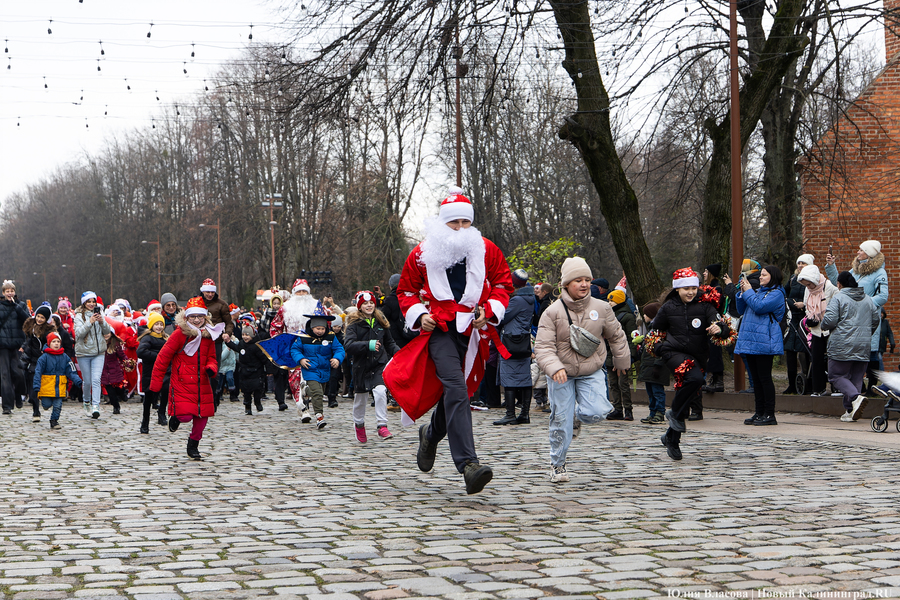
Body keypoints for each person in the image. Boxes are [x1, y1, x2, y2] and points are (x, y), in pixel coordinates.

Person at [396, 188, 513, 495]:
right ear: (442, 223)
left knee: (459, 393)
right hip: (439, 330)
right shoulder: (421, 253)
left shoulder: (486, 248)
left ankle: (430, 434)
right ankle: (469, 465)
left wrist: (488, 312)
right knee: (457, 389)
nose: (461, 229)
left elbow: (503, 283)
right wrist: (421, 315)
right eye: (454, 223)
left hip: (472, 331)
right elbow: (406, 291)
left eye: (465, 222)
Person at [534, 257, 630, 482]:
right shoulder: (552, 312)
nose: (584, 284)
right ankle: (558, 465)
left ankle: (576, 416)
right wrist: (555, 367)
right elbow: (543, 347)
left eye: (587, 279)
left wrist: (622, 360)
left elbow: (616, 336)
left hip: (591, 370)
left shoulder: (602, 307)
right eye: (578, 280)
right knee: (560, 422)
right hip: (561, 375)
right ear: (566, 284)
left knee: (597, 412)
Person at [650, 268, 728, 460]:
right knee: (694, 379)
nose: (691, 292)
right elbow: (654, 331)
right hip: (673, 352)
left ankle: (671, 437)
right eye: (686, 289)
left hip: (698, 356)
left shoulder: (705, 306)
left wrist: (719, 328)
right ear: (677, 289)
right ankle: (674, 414)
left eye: (693, 288)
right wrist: (660, 348)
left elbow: (721, 325)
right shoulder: (668, 308)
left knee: (687, 392)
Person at [149, 296, 222, 460]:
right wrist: (155, 384)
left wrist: (212, 368)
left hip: (202, 382)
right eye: (193, 317)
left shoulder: (208, 335)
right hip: (181, 382)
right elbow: (163, 358)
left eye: (200, 316)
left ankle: (193, 446)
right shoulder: (179, 334)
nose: (196, 320)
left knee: (202, 417)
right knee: (185, 415)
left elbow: (212, 358)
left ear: (205, 317)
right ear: (186, 317)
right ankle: (175, 417)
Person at [825, 240, 888, 392]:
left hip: (866, 319)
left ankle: (871, 387)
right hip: (850, 320)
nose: (858, 252)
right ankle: (856, 396)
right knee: (856, 359)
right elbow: (840, 283)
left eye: (861, 250)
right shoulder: (856, 270)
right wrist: (832, 266)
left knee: (868, 357)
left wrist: (864, 304)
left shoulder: (880, 273)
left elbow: (883, 296)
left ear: (870, 254)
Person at [822, 271, 880, 422]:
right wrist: (865, 334)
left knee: (836, 375)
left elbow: (829, 321)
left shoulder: (838, 297)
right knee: (856, 378)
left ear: (839, 284)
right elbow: (875, 320)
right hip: (863, 344)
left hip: (842, 344)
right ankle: (850, 410)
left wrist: (822, 324)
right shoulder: (868, 299)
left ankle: (855, 398)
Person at [343, 290, 400, 442]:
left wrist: (400, 354)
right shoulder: (354, 325)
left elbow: (389, 343)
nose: (369, 306)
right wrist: (367, 345)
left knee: (381, 391)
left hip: (379, 364)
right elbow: (348, 346)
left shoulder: (381, 322)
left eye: (371, 303)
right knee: (360, 398)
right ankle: (359, 424)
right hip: (361, 366)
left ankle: (382, 425)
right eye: (365, 304)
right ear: (359, 306)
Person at [734, 265, 786, 426]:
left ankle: (770, 414)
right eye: (761, 274)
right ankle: (759, 412)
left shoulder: (777, 294)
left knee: (764, 378)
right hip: (750, 340)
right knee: (755, 379)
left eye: (764, 275)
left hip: (764, 341)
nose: (760, 277)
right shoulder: (757, 292)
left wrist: (749, 292)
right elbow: (741, 309)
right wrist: (742, 293)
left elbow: (759, 307)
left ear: (773, 277)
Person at [269, 278, 321, 417]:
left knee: (310, 378)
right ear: (294, 293)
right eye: (299, 292)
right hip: (292, 347)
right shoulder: (285, 308)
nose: (302, 294)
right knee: (295, 378)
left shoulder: (316, 305)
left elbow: (326, 323)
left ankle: (308, 404)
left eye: (304, 291)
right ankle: (301, 407)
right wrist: (280, 342)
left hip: (311, 347)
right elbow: (275, 326)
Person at [289, 308, 345, 430]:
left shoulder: (331, 337)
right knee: (318, 393)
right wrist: (301, 359)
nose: (320, 331)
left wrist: (337, 359)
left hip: (325, 370)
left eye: (322, 328)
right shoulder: (303, 337)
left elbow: (339, 349)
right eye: (317, 328)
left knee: (319, 392)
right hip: (310, 369)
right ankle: (319, 417)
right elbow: (295, 349)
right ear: (312, 327)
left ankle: (306, 391)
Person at [493, 269, 535, 426]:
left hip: (511, 342)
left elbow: (502, 318)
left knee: (509, 376)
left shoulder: (517, 300)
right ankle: (524, 414)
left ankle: (510, 414)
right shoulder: (530, 298)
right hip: (523, 342)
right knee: (525, 377)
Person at [797, 265, 838, 396]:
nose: (808, 287)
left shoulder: (829, 286)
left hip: (830, 328)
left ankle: (836, 387)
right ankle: (818, 388)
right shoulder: (807, 290)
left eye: (809, 284)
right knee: (816, 359)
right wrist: (810, 317)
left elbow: (837, 304)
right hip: (815, 329)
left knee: (833, 358)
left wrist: (828, 319)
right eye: (805, 285)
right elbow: (807, 305)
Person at [73, 291, 112, 419]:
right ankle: (86, 401)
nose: (91, 304)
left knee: (96, 380)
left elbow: (107, 331)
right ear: (84, 302)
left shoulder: (100, 314)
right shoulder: (78, 316)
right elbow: (79, 334)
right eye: (89, 302)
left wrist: (102, 322)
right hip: (84, 353)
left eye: (93, 301)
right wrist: (89, 322)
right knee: (88, 381)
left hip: (98, 352)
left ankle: (96, 405)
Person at [33, 331, 82, 430]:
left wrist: (78, 381)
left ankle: (54, 421)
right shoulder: (43, 358)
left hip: (59, 386)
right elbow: (38, 372)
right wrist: (36, 385)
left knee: (58, 405)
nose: (56, 343)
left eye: (58, 341)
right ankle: (46, 405)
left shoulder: (65, 357)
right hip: (46, 386)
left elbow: (71, 371)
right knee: (46, 404)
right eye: (54, 341)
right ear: (49, 343)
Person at [196, 278, 233, 405]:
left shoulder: (221, 304)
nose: (210, 294)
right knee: (198, 368)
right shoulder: (196, 302)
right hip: (198, 340)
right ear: (203, 291)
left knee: (213, 370)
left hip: (215, 341)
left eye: (212, 292)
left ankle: (213, 397)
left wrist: (227, 334)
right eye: (207, 292)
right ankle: (199, 396)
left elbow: (229, 323)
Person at [783, 254, 814, 394]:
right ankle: (791, 384)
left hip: (806, 320)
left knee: (804, 352)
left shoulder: (814, 279)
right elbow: (784, 293)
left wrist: (805, 304)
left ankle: (807, 383)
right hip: (792, 319)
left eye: (804, 263)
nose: (800, 265)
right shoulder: (792, 279)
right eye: (799, 263)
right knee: (790, 352)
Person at [605, 289, 638, 421]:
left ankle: (628, 409)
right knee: (613, 383)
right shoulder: (608, 316)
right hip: (610, 354)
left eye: (611, 300)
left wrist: (632, 356)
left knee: (623, 384)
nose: (609, 303)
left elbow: (632, 338)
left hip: (623, 354)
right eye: (608, 300)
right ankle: (617, 408)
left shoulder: (628, 317)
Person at [21, 304, 57, 422]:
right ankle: (36, 412)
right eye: (38, 316)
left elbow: (54, 344)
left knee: (44, 385)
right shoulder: (30, 328)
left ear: (46, 319)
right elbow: (28, 344)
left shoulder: (49, 332)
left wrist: (46, 350)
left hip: (44, 360)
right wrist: (24, 351)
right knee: (32, 387)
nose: (39, 319)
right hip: (32, 361)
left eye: (42, 317)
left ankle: (47, 402)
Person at [637, 301, 670, 425]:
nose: (644, 316)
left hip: (656, 365)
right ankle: (652, 412)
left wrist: (658, 363)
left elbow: (661, 348)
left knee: (657, 391)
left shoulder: (659, 330)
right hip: (648, 365)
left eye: (646, 314)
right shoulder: (651, 328)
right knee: (650, 391)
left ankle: (660, 412)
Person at [0, 281, 29, 415]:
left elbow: (27, 320)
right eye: (7, 291)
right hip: (3, 345)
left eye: (12, 290)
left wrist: (16, 307)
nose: (10, 293)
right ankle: (7, 405)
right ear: (3, 293)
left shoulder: (21, 305)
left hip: (17, 344)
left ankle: (19, 394)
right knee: (5, 375)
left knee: (18, 373)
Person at [225, 326, 268, 415]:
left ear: (252, 335)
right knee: (246, 391)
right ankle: (247, 407)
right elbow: (236, 348)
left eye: (247, 335)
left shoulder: (257, 346)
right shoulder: (241, 344)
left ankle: (257, 402)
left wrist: (269, 370)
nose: (245, 337)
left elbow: (264, 359)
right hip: (245, 371)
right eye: (243, 335)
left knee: (257, 390)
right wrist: (228, 342)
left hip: (256, 371)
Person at [137, 312, 168, 433]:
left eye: (161, 324)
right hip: (150, 372)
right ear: (151, 326)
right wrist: (158, 357)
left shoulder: (166, 338)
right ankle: (145, 422)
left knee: (165, 391)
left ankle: (162, 413)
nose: (159, 327)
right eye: (156, 324)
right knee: (149, 397)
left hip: (165, 371)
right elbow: (141, 352)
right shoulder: (147, 338)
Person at [700, 264, 725, 396]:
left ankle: (717, 381)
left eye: (706, 271)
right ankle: (711, 379)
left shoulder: (717, 289)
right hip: (706, 324)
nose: (704, 273)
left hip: (714, 324)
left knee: (715, 352)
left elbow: (716, 304)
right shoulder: (706, 288)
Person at [101, 328, 128, 414]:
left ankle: (123, 393)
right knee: (110, 392)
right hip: (104, 371)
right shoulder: (99, 344)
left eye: (108, 332)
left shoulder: (115, 343)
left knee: (119, 388)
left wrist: (127, 362)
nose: (106, 334)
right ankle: (116, 406)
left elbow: (122, 355)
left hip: (115, 370)